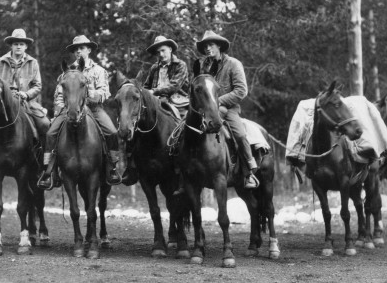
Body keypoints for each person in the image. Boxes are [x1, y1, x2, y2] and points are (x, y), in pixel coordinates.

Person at [37, 35, 122, 190]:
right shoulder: (66, 73)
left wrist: (92, 96)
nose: (78, 51)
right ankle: (49, 171)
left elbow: (105, 92)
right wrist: (60, 109)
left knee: (112, 132)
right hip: (69, 110)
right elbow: (59, 95)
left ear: (89, 50)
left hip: (94, 109)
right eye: (75, 49)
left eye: (82, 48)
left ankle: (112, 167)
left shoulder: (99, 71)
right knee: (50, 134)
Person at [0, 29, 51, 185]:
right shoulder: (0, 62)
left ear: (26, 46)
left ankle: (44, 165)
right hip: (4, 103)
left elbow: (38, 85)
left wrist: (26, 94)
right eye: (16, 44)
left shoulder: (32, 62)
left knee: (45, 125)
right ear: (11, 45)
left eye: (21, 44)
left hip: (26, 102)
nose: (18, 47)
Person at [121, 35, 189, 186]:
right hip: (156, 103)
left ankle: (185, 168)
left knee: (185, 128)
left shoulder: (181, 65)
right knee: (136, 125)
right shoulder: (154, 68)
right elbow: (145, 87)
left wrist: (155, 92)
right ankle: (131, 167)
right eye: (158, 52)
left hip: (178, 102)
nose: (161, 55)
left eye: (163, 51)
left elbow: (175, 85)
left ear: (170, 49)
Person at [196, 30, 259, 189]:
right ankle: (186, 174)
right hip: (207, 110)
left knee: (239, 134)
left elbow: (241, 91)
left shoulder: (233, 64)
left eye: (211, 45)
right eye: (205, 46)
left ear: (219, 46)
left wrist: (217, 102)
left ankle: (249, 171)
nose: (207, 49)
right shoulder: (204, 66)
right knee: (184, 130)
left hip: (228, 109)